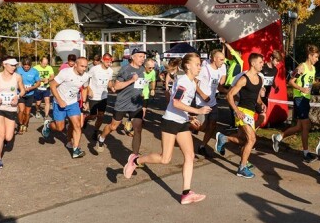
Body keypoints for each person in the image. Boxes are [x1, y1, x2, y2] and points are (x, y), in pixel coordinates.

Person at [123, 52, 211, 205]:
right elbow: (176, 102)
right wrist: (197, 111)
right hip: (170, 122)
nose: (200, 67)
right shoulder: (184, 81)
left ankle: (186, 193)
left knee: (189, 156)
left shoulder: (191, 82)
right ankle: (136, 160)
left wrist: (190, 117)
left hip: (182, 122)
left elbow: (179, 104)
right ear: (188, 66)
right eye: (197, 64)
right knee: (165, 159)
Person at [215, 53, 266, 179]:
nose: (262, 64)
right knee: (252, 139)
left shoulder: (260, 79)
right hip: (242, 111)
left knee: (243, 140)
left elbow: (256, 96)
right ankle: (242, 168)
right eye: (260, 62)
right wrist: (237, 111)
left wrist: (261, 103)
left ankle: (224, 138)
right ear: (253, 63)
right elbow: (229, 95)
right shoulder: (243, 79)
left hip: (251, 112)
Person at [272, 45, 320, 163]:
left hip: (306, 99)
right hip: (300, 98)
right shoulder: (301, 67)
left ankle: (278, 137)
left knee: (299, 127)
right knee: (306, 126)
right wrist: (301, 89)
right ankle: (306, 154)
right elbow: (291, 81)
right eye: (315, 57)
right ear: (309, 56)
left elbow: (311, 81)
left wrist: (319, 83)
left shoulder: (313, 69)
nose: (317, 59)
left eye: (318, 57)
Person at [95, 49, 146, 155]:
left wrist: (141, 90)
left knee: (138, 129)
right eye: (140, 56)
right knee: (113, 127)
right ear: (133, 57)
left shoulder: (142, 69)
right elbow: (116, 86)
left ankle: (135, 157)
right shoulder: (125, 69)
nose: (143, 58)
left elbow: (140, 84)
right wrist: (131, 80)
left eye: (143, 56)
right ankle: (101, 138)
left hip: (136, 104)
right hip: (122, 103)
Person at [42, 57, 90, 159]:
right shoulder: (65, 73)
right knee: (60, 128)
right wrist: (59, 100)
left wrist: (84, 101)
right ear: (75, 65)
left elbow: (85, 88)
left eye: (86, 66)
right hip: (59, 103)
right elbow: (52, 85)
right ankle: (49, 124)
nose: (84, 69)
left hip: (73, 103)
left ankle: (76, 150)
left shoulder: (85, 76)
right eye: (82, 66)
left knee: (77, 125)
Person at [0, 57, 26, 168]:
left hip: (11, 108)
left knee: (8, 137)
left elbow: (23, 90)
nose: (14, 67)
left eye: (15, 65)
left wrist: (17, 97)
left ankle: (5, 141)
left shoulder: (17, 77)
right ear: (4, 64)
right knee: (1, 134)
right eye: (11, 65)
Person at [194, 49, 227, 158]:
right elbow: (194, 83)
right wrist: (202, 95)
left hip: (212, 103)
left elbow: (217, 86)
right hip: (201, 103)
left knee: (212, 125)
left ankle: (202, 146)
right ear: (214, 59)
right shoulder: (203, 69)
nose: (223, 62)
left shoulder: (219, 71)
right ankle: (184, 126)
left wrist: (229, 92)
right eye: (221, 59)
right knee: (201, 127)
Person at [85, 53, 114, 137]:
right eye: (107, 61)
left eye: (110, 62)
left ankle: (95, 131)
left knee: (101, 116)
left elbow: (109, 81)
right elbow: (86, 79)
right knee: (93, 116)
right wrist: (88, 89)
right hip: (94, 95)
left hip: (103, 96)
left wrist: (111, 87)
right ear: (102, 60)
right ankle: (86, 119)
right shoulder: (94, 69)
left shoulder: (110, 71)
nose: (109, 63)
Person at [16, 58, 41, 134]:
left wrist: (31, 88)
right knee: (21, 110)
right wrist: (21, 88)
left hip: (30, 94)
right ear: (22, 65)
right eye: (25, 67)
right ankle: (20, 125)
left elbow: (38, 83)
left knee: (27, 112)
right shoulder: (18, 70)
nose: (26, 68)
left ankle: (25, 124)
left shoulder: (34, 71)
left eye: (28, 67)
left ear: (30, 66)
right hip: (20, 93)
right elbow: (15, 81)